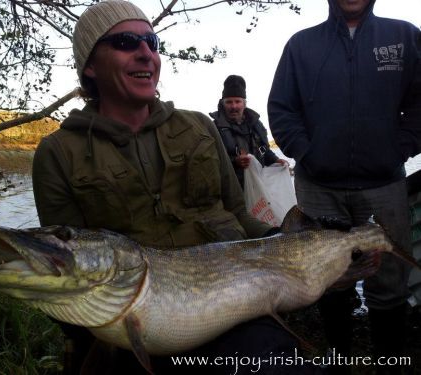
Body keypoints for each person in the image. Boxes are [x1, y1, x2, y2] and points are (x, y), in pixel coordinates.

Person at [32, 1, 320, 374]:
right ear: (90, 64)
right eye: (125, 42)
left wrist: (293, 241)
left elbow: (237, 215)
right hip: (130, 328)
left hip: (233, 311)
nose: (146, 54)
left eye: (151, 42)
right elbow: (65, 266)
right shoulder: (58, 153)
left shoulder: (200, 127)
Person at [268, 0, 421, 374]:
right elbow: (282, 108)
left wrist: (401, 147)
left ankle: (389, 363)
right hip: (318, 185)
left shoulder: (404, 37)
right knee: (330, 278)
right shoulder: (300, 45)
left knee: (389, 279)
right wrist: (307, 151)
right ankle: (338, 362)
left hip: (384, 183)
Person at [210, 75, 288, 188]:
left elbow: (265, 151)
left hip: (258, 187)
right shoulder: (213, 128)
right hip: (230, 190)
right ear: (222, 103)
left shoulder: (256, 125)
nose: (233, 106)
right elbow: (210, 162)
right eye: (229, 102)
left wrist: (276, 160)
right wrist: (234, 161)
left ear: (244, 103)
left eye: (237, 101)